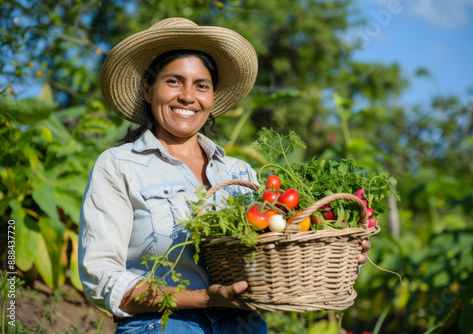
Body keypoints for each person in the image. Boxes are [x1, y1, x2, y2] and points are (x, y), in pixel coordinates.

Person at [79, 17, 370, 334]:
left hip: (244, 325)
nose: (188, 96)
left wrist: (334, 249)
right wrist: (203, 297)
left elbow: (271, 254)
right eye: (173, 81)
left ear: (212, 97)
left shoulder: (238, 172)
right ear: (148, 90)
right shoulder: (119, 165)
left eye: (201, 85)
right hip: (161, 325)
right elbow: (101, 277)